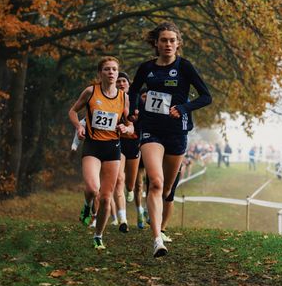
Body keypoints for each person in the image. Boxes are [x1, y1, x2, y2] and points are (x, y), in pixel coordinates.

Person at [128, 21, 212, 257]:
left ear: (178, 44)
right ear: (156, 43)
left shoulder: (185, 67)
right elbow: (134, 89)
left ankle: (158, 221)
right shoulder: (146, 68)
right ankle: (157, 239)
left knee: (165, 189)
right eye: (163, 40)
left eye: (172, 40)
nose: (168, 44)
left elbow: (206, 97)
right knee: (154, 182)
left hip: (177, 131)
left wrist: (184, 108)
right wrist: (134, 109)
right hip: (151, 129)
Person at [69, 56, 133, 250]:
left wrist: (127, 129)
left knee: (106, 197)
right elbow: (72, 111)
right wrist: (78, 128)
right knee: (92, 189)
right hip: (92, 146)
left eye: (114, 69)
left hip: (113, 148)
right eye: (107, 69)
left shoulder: (124, 97)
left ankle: (98, 235)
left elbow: (128, 122)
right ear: (100, 73)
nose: (111, 72)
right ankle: (88, 206)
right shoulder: (91, 91)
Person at [114, 72, 142, 233]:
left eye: (124, 81)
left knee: (130, 183)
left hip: (134, 143)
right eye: (118, 82)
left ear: (129, 84)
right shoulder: (111, 99)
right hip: (118, 142)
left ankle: (130, 190)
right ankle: (123, 219)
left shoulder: (136, 100)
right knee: (119, 179)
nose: (121, 83)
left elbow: (143, 120)